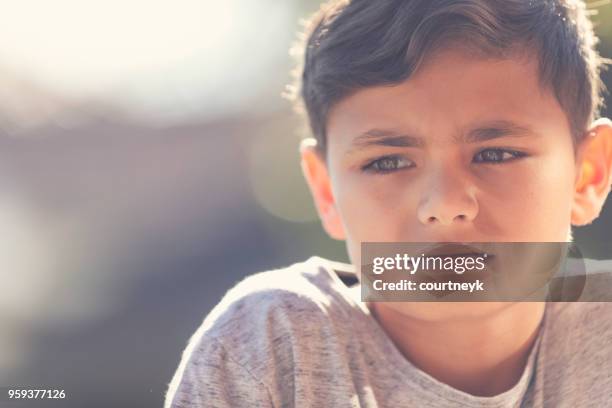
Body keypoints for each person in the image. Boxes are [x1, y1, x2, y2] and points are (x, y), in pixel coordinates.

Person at [165, 0, 612, 406]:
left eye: (496, 154)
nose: (444, 204)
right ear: (326, 192)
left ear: (587, 176)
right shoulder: (270, 346)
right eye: (388, 162)